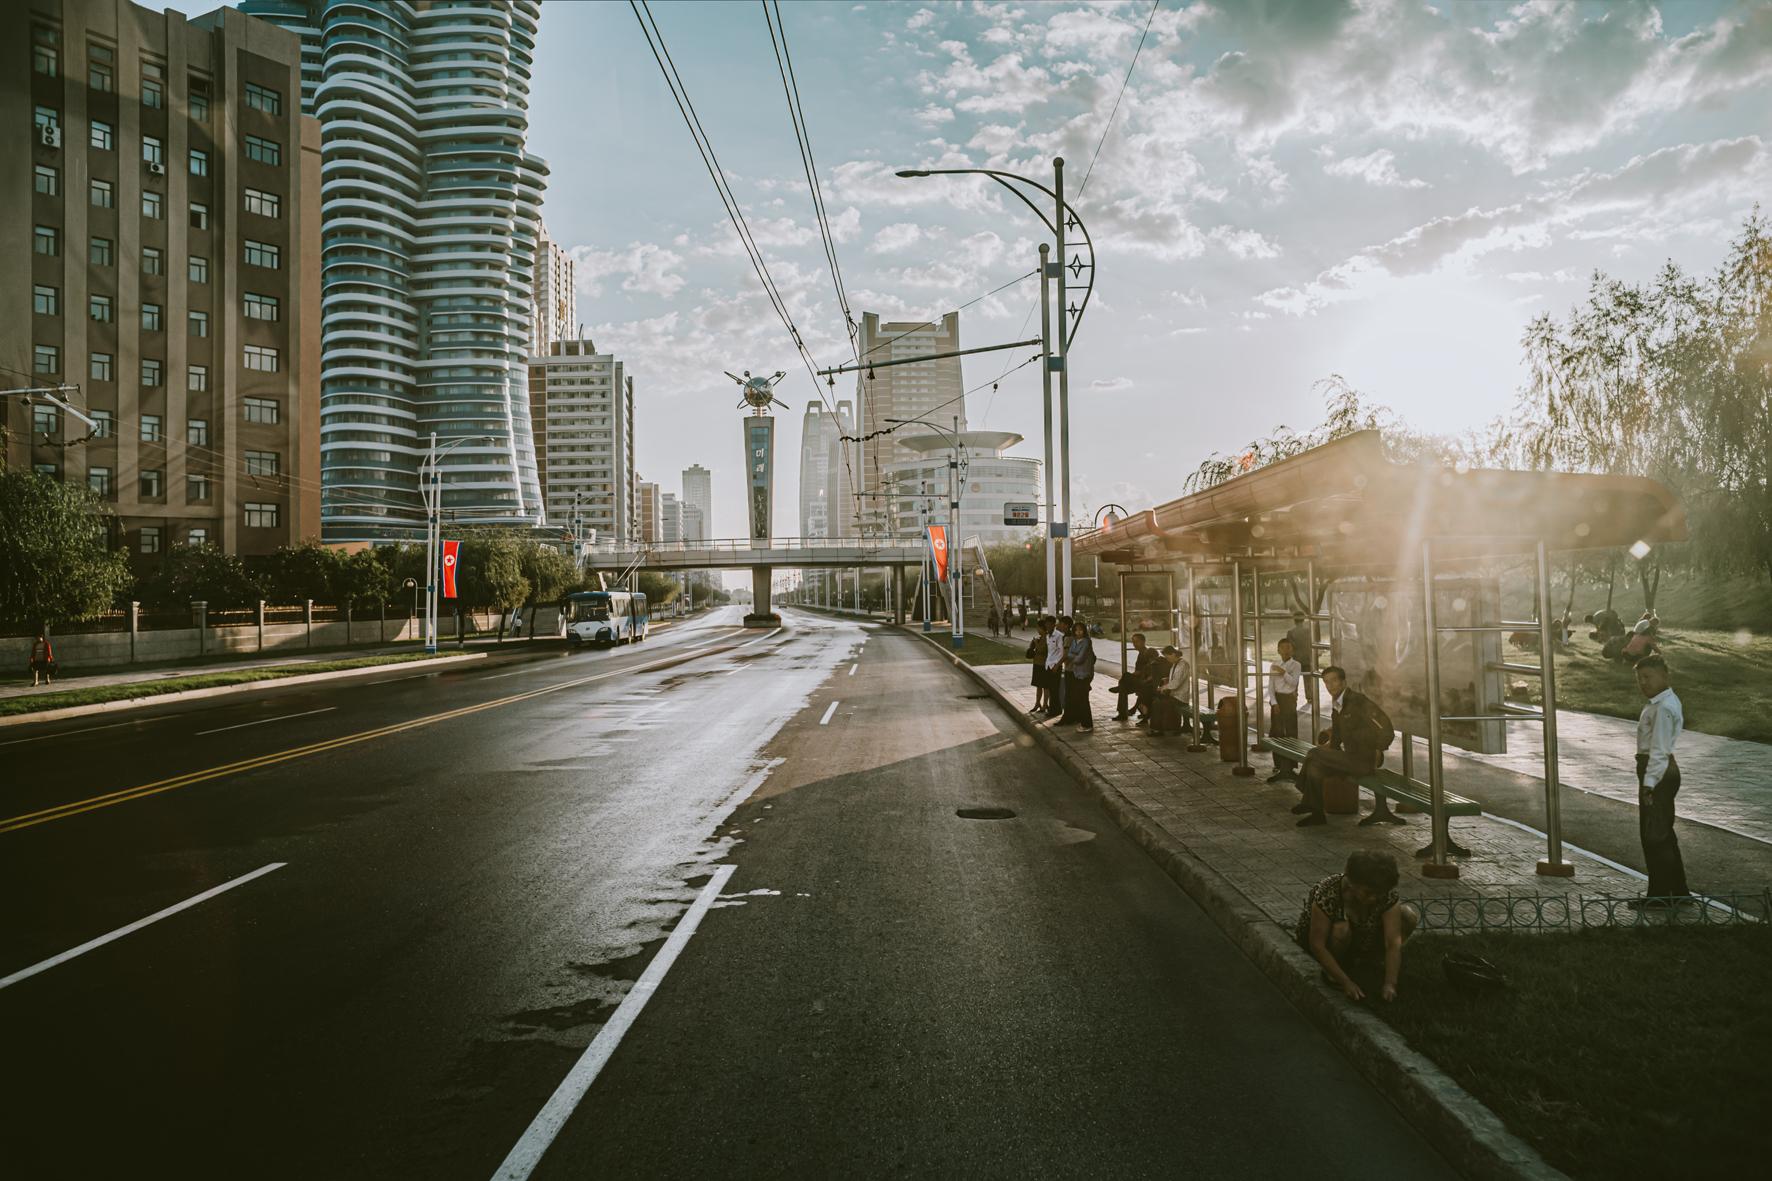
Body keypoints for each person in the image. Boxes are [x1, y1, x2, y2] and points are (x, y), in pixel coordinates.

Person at [1296, 850, 1419, 1003]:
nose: (1374, 898)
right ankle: (1334, 973)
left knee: (1407, 916)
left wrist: (1390, 983)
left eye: (1378, 893)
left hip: (1360, 939)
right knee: (1341, 930)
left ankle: (1369, 962)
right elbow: (1317, 944)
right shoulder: (1328, 892)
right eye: (1368, 893)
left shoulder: (1385, 894)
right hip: (1329, 941)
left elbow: (1393, 943)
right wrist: (1346, 983)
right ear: (1352, 883)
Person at [1295, 665, 1394, 827]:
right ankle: (1317, 814)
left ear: (1343, 682)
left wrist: (1378, 749)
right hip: (1349, 759)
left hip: (1364, 760)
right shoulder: (1337, 704)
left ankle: (1306, 797)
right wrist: (1330, 756)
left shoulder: (1358, 701)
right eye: (1327, 682)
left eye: (1334, 681)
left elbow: (1387, 728)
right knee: (1315, 765)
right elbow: (1337, 737)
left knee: (1314, 753)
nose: (1330, 686)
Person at [1630, 655, 1690, 908]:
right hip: (1659, 770)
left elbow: (1659, 750)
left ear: (1665, 675)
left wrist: (1649, 783)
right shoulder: (1659, 703)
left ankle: (1660, 895)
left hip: (1659, 772)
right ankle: (1678, 892)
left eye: (1648, 677)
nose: (1644, 683)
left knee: (1654, 836)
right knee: (1663, 834)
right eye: (1640, 679)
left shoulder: (1664, 707)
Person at [1265, 636, 1303, 783]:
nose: (1286, 650)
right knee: (1276, 731)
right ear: (1278, 650)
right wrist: (1274, 703)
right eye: (1283, 648)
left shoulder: (1296, 665)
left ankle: (1291, 764)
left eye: (1289, 648)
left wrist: (1283, 672)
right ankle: (1278, 763)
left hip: (1289, 700)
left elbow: (1293, 683)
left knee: (1291, 730)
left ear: (1293, 650)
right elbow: (1270, 685)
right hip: (1277, 700)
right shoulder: (1274, 664)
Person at [1112, 632, 1158, 722]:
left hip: (1145, 682)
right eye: (1133, 642)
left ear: (1143, 642)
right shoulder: (1140, 654)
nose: (1134, 644)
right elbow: (1139, 671)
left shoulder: (1148, 653)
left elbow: (1146, 670)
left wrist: (1132, 676)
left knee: (1125, 679)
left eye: (1137, 642)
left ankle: (1123, 712)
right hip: (1140, 680)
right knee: (1123, 687)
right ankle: (1122, 712)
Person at [1062, 618, 1096, 732]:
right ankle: (1084, 722)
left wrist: (1074, 656)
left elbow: (1079, 659)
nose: (1078, 632)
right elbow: (1070, 653)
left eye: (1081, 630)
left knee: (1083, 699)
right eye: (1076, 631)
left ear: (1084, 631)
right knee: (1080, 699)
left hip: (1085, 674)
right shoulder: (1075, 641)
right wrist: (1074, 655)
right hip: (1077, 674)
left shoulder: (1086, 641)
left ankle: (1087, 725)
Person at [1150, 645, 1190, 737]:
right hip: (1175, 695)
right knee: (1156, 701)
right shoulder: (1176, 663)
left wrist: (1163, 688)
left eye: (1168, 657)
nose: (1167, 659)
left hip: (1180, 697)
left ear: (1173, 654)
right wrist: (1167, 679)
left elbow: (1176, 684)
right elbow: (1175, 679)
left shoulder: (1182, 665)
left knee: (1158, 704)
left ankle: (1159, 729)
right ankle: (1160, 728)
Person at [1044, 615, 1071, 718]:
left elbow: (1061, 652)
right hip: (1048, 665)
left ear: (1053, 625)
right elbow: (1050, 651)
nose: (1047, 626)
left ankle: (1056, 710)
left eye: (1049, 624)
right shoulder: (1047, 636)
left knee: (1055, 689)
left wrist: (1057, 665)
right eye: (1046, 624)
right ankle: (1053, 709)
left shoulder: (1059, 636)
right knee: (1051, 689)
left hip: (1055, 666)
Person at [1027, 618, 1052, 716]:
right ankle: (1037, 703)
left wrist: (1036, 643)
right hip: (1037, 663)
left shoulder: (1046, 638)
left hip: (1043, 664)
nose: (1037, 629)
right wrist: (1033, 643)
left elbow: (1041, 650)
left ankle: (1045, 704)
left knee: (1045, 686)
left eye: (1038, 628)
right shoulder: (1041, 637)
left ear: (1042, 628)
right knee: (1038, 685)